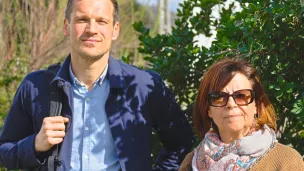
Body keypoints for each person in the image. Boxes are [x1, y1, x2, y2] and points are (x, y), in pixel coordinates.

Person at [0, 0, 194, 170]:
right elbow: (4, 152)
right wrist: (35, 144)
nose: (92, 29)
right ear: (66, 26)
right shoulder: (36, 86)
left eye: (102, 21)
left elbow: (182, 144)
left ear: (115, 29)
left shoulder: (144, 86)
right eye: (82, 19)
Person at [179, 58, 304, 171]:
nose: (231, 104)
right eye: (219, 97)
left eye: (241, 96)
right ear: (208, 110)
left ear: (256, 105)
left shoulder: (286, 162)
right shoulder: (190, 163)